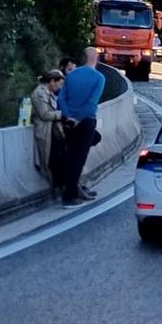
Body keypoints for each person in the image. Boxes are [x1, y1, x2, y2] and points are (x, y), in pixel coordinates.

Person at [57, 47, 105, 206]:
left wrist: (69, 115)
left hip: (68, 122)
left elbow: (61, 100)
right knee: (78, 159)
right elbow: (92, 102)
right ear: (96, 58)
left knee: (70, 156)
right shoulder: (99, 78)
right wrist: (78, 118)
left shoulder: (71, 76)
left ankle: (73, 190)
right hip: (86, 122)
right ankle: (69, 196)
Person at [30, 69, 67, 187]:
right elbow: (44, 114)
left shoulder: (49, 93)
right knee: (52, 161)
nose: (58, 88)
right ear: (51, 81)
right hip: (45, 131)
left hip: (53, 131)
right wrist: (62, 114)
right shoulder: (40, 93)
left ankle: (65, 186)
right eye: (58, 84)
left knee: (61, 158)